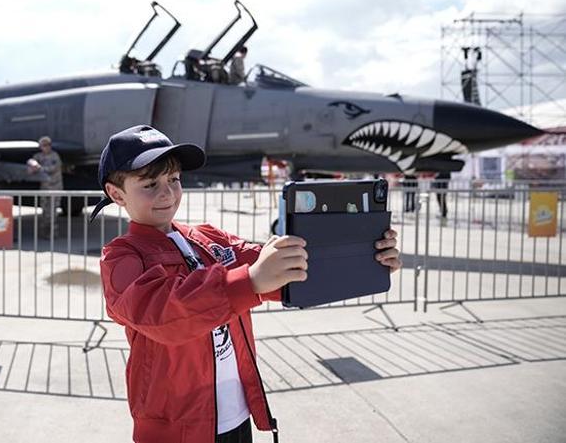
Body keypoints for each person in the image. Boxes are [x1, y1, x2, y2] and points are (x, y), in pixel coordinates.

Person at [91, 125, 402, 443]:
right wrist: (249, 282)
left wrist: (366, 258)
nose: (167, 193)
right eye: (149, 184)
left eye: (174, 179)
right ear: (117, 194)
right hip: (177, 427)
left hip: (237, 414)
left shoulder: (209, 237)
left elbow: (283, 269)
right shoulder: (122, 257)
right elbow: (163, 313)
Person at [26, 136, 63, 236]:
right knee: (44, 211)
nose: (45, 147)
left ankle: (53, 233)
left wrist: (39, 168)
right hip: (45, 188)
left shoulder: (55, 156)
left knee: (52, 212)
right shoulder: (39, 156)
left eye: (47, 145)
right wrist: (32, 164)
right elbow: (31, 161)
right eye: (43, 145)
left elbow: (52, 169)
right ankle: (44, 232)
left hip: (55, 188)